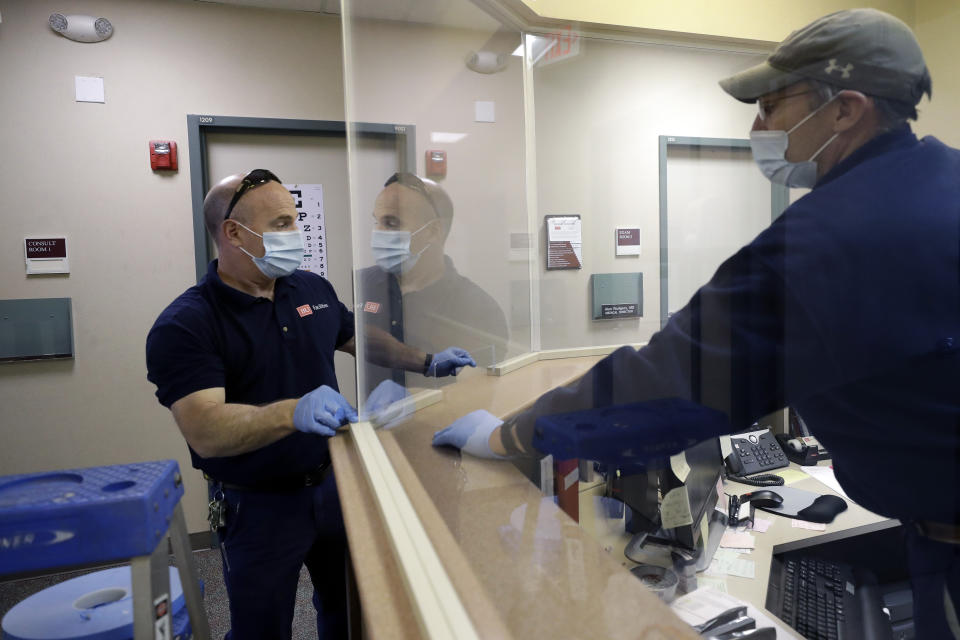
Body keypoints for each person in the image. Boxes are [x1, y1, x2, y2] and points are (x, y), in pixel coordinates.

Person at [433, 9, 960, 638]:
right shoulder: (942, 181)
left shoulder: (832, 238)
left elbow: (670, 383)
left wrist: (510, 435)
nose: (757, 126)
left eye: (770, 105)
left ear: (846, 109)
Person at [145, 169, 474, 640]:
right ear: (234, 233)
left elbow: (355, 336)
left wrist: (426, 360)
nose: (295, 234)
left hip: (334, 485)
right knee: (262, 626)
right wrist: (292, 412)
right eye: (281, 224)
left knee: (350, 611)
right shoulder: (187, 324)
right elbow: (205, 428)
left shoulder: (310, 289)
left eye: (295, 220)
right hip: (256, 505)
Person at [357, 172, 509, 395]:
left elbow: (479, 393)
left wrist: (416, 400)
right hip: (371, 427)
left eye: (391, 223)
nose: (377, 233)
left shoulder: (480, 309)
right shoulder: (362, 285)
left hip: (439, 428)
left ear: (433, 231)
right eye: (376, 221)